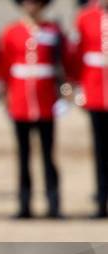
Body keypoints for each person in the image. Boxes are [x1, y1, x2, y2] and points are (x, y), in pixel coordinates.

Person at [1, 0, 67, 218]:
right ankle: (24, 204)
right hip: (20, 101)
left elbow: (64, 62)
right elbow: (4, 65)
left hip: (45, 101)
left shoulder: (53, 30)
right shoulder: (12, 31)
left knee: (48, 155)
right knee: (23, 155)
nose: (31, 6)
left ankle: (54, 203)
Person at [73, 0, 108, 218]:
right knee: (100, 151)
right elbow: (77, 55)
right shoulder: (86, 17)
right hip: (96, 92)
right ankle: (101, 200)